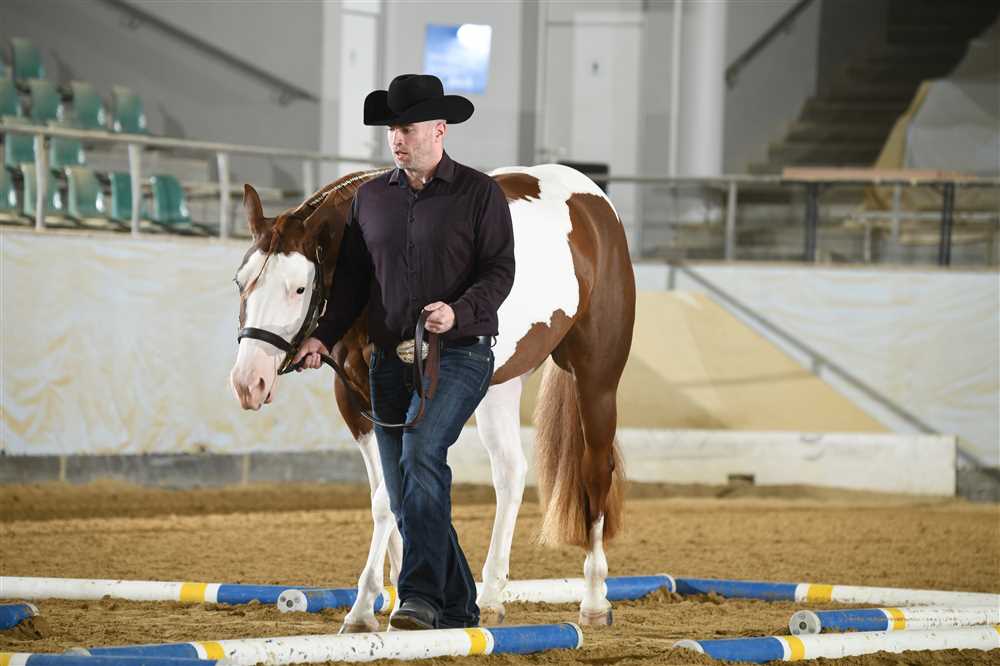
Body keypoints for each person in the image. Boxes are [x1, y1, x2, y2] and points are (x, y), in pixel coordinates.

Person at [293, 74, 515, 631]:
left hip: (461, 353)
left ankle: (416, 597)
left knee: (420, 455)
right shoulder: (370, 199)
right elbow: (352, 285)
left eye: (407, 128)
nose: (397, 138)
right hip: (388, 360)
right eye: (392, 129)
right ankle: (458, 604)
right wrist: (322, 335)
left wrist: (458, 311)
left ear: (439, 130)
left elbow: (500, 271)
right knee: (403, 488)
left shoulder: (479, 194)